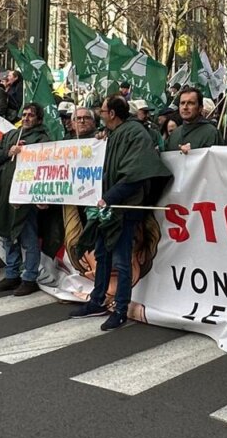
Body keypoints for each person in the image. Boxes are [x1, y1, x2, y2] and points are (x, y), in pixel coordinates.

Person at [69, 95, 172, 330]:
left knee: (122, 261)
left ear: (113, 114)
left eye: (103, 111)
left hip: (124, 209)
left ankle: (121, 309)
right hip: (108, 209)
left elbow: (135, 174)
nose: (101, 115)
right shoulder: (115, 134)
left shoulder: (135, 133)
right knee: (103, 255)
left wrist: (110, 197)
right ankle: (97, 300)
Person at [0, 103, 51, 295]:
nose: (27, 117)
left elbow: (44, 169)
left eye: (31, 115)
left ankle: (29, 277)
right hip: (6, 194)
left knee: (27, 238)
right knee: (7, 236)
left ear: (39, 119)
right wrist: (8, 152)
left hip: (26, 197)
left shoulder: (42, 139)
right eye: (25, 114)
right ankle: (11, 274)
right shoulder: (12, 135)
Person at [166, 86, 219, 152]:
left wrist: (194, 153)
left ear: (200, 108)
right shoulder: (175, 134)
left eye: (190, 103)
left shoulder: (211, 133)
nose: (185, 107)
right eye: (182, 103)